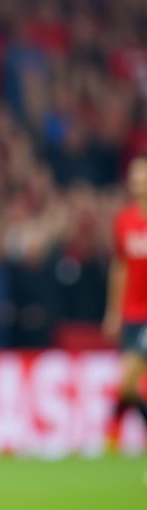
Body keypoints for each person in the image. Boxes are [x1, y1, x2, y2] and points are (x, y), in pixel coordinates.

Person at [103, 156, 147, 436]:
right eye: (134, 178)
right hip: (131, 312)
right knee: (128, 386)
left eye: (142, 177)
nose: (138, 183)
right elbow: (119, 268)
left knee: (127, 379)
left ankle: (109, 432)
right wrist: (113, 311)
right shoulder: (124, 220)